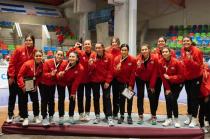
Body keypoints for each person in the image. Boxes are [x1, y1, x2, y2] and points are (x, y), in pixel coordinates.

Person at [7, 34, 36, 123]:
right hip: (14, 75)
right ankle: (10, 114)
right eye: (26, 40)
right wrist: (11, 76)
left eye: (30, 40)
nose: (28, 42)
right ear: (24, 41)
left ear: (33, 41)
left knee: (22, 96)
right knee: (12, 95)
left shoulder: (35, 51)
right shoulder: (19, 49)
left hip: (24, 77)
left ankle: (22, 114)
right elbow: (11, 63)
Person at [67, 40, 96, 121]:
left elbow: (95, 66)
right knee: (80, 97)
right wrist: (74, 47)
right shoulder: (80, 52)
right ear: (83, 45)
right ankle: (81, 113)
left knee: (88, 97)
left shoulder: (94, 54)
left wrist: (92, 64)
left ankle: (87, 113)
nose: (87, 45)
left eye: (88, 44)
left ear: (91, 45)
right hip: (80, 79)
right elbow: (68, 54)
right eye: (85, 44)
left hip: (89, 79)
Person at [89, 42, 114, 126]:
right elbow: (91, 70)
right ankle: (97, 116)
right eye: (96, 48)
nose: (98, 49)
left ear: (103, 48)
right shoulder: (92, 56)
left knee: (107, 97)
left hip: (105, 80)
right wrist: (91, 65)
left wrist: (107, 81)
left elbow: (111, 70)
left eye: (99, 48)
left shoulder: (109, 56)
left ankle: (109, 116)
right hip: (95, 80)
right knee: (96, 98)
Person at [159, 47, 184, 128]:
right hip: (167, 84)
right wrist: (167, 88)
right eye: (163, 52)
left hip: (178, 83)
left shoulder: (177, 62)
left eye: (166, 52)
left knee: (173, 100)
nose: (164, 53)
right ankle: (169, 118)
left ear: (170, 53)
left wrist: (170, 78)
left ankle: (176, 119)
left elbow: (181, 76)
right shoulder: (161, 62)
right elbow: (163, 77)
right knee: (168, 100)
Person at [181, 36, 203, 128]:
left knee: (194, 98)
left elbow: (199, 65)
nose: (186, 42)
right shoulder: (183, 50)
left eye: (187, 41)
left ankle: (194, 118)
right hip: (187, 78)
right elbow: (184, 62)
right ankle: (189, 116)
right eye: (184, 41)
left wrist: (190, 60)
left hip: (196, 77)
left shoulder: (197, 51)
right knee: (189, 97)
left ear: (191, 41)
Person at [152, 36, 177, 119]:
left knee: (168, 96)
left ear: (165, 42)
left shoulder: (171, 51)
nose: (160, 43)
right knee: (155, 96)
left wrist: (170, 76)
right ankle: (153, 115)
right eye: (159, 41)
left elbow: (174, 63)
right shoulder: (154, 51)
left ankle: (169, 116)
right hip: (158, 77)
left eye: (162, 41)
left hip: (167, 77)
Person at [56, 52, 84, 124]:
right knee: (61, 99)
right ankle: (61, 117)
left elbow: (76, 81)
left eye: (73, 57)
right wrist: (59, 75)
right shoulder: (63, 64)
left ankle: (71, 116)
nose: (71, 58)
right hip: (61, 82)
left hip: (71, 83)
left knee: (72, 98)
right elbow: (57, 76)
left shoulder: (80, 68)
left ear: (77, 58)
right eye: (70, 56)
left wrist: (73, 92)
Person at [17, 50, 43, 126]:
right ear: (34, 56)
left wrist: (36, 85)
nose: (38, 57)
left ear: (42, 56)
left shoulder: (42, 64)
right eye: (37, 56)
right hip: (24, 83)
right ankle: (25, 118)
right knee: (23, 101)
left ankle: (36, 116)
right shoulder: (27, 64)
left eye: (40, 56)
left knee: (35, 100)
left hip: (32, 84)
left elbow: (38, 77)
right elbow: (19, 75)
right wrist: (22, 86)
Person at [135, 43, 159, 125]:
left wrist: (152, 85)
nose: (144, 51)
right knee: (140, 96)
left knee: (152, 96)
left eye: (145, 49)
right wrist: (139, 66)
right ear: (141, 51)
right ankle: (140, 115)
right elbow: (136, 72)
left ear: (149, 50)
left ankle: (153, 116)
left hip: (150, 79)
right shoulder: (138, 58)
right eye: (142, 50)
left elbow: (155, 73)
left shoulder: (155, 58)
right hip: (140, 79)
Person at [39, 50, 64, 126]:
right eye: (58, 54)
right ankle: (44, 117)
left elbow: (57, 76)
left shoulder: (62, 63)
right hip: (44, 83)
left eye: (61, 55)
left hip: (52, 84)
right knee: (44, 100)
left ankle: (51, 116)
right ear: (55, 55)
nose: (59, 56)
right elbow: (43, 74)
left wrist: (58, 75)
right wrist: (51, 74)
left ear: (63, 57)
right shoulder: (48, 62)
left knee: (51, 100)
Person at [113, 44, 136, 124]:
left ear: (128, 51)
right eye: (122, 50)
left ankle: (129, 116)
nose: (123, 51)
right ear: (120, 51)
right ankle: (122, 115)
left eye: (125, 50)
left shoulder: (132, 60)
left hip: (129, 84)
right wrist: (117, 69)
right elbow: (114, 74)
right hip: (120, 83)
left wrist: (130, 85)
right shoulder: (116, 59)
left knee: (129, 100)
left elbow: (133, 74)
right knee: (121, 100)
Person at [106, 37, 121, 120]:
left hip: (117, 78)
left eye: (115, 42)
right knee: (107, 96)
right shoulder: (107, 51)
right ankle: (108, 113)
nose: (114, 43)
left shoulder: (121, 51)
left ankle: (115, 113)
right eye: (112, 42)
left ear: (118, 43)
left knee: (116, 96)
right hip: (108, 77)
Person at [199, 61, 210, 133]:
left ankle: (207, 121)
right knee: (202, 109)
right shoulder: (200, 73)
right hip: (201, 94)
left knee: (208, 109)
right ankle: (202, 125)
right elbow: (202, 85)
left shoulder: (208, 72)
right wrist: (206, 95)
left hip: (208, 94)